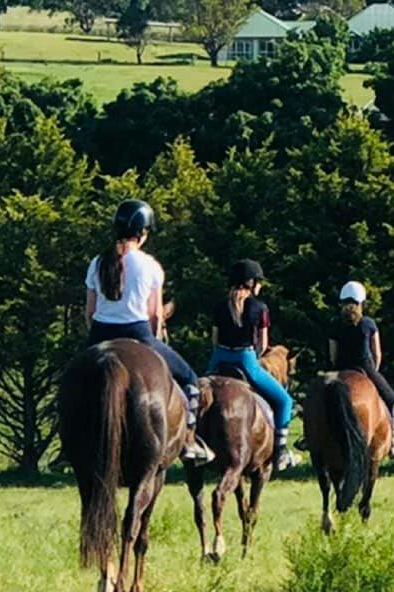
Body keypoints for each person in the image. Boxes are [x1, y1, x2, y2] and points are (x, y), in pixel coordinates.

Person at [82, 199, 212, 464]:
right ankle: (188, 440)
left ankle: (68, 444)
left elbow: (90, 312)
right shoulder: (150, 266)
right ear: (142, 232)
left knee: (73, 382)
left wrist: (95, 339)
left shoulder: (97, 263)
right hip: (138, 333)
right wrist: (153, 340)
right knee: (189, 379)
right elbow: (155, 314)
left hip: (99, 334)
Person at [205, 260, 296, 470]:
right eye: (259, 282)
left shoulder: (219, 306)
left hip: (219, 358)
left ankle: (192, 439)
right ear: (251, 282)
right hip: (246, 360)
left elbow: (215, 339)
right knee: (285, 401)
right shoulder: (259, 308)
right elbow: (263, 344)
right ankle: (280, 450)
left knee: (196, 394)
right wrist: (252, 355)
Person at [329, 281, 394, 459]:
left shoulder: (334, 325)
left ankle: (307, 438)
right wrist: (373, 372)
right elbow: (377, 353)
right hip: (365, 369)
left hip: (340, 371)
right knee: (392, 400)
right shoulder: (368, 324)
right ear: (361, 302)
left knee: (320, 397)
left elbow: (333, 355)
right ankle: (393, 441)